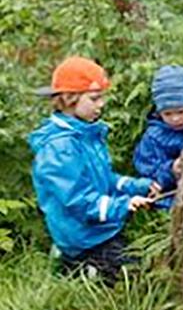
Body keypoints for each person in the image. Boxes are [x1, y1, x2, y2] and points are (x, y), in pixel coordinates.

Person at [29, 55, 159, 281]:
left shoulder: (85, 134)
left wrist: (137, 187)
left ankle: (80, 268)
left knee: (141, 259)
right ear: (69, 99)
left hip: (100, 229)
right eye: (95, 98)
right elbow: (78, 201)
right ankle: (80, 266)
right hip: (86, 237)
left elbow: (104, 179)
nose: (102, 104)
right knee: (138, 278)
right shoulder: (60, 147)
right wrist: (123, 205)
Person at [133, 64, 183, 209]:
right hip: (171, 195)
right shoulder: (154, 137)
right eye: (167, 114)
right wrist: (171, 169)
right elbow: (147, 170)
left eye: (181, 112)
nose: (175, 119)